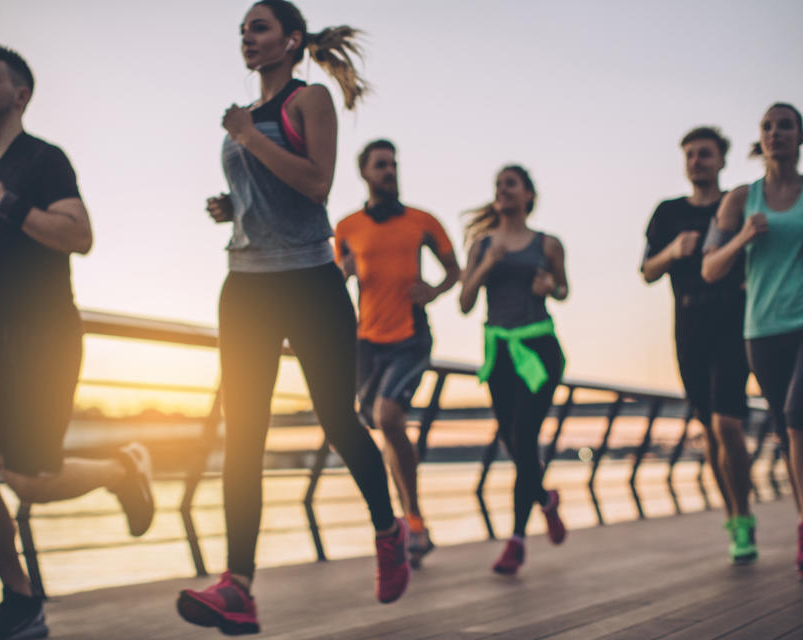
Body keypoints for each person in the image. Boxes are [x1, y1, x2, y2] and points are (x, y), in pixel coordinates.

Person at [176, 2, 409, 634]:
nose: (247, 39)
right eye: (243, 30)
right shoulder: (242, 119)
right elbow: (270, 192)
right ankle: (239, 587)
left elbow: (316, 184)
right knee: (243, 433)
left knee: (338, 418)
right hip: (246, 285)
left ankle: (389, 532)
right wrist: (236, 206)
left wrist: (248, 137)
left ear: (291, 40)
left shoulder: (308, 101)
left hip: (309, 279)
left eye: (259, 28)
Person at [0, 45, 154, 640]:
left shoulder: (43, 161)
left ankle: (121, 468)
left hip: (45, 334)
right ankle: (20, 599)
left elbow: (78, 235)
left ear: (21, 95)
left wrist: (5, 202)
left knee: (29, 478)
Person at [702, 103, 803, 581]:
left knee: (800, 412)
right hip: (763, 329)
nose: (777, 133)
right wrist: (742, 239)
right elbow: (711, 268)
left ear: (800, 135)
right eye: (768, 127)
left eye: (786, 125)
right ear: (761, 138)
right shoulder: (738, 200)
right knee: (787, 423)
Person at [334, 139, 461, 568]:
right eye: (381, 165)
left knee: (388, 418)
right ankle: (413, 524)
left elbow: (453, 271)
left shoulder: (422, 221)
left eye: (393, 164)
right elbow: (335, 282)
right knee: (381, 426)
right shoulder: (348, 227)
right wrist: (342, 274)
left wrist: (435, 291)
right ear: (365, 173)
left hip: (410, 337)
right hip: (366, 343)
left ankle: (413, 518)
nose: (389, 171)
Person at [640, 127, 756, 564]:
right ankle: (732, 516)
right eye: (690, 155)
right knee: (709, 427)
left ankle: (744, 516)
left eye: (704, 154)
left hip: (734, 323)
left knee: (728, 423)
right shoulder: (668, 213)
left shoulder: (737, 207)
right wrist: (671, 251)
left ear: (722, 160)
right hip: (689, 327)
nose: (696, 161)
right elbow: (647, 271)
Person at [459, 165, 568, 575]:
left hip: (539, 349)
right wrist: (487, 264)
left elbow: (563, 290)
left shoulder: (548, 244)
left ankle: (516, 541)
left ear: (527, 195)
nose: (502, 190)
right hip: (499, 352)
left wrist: (549, 288)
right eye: (498, 185)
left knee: (524, 437)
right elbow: (465, 301)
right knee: (512, 439)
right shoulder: (482, 245)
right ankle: (544, 499)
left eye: (510, 184)